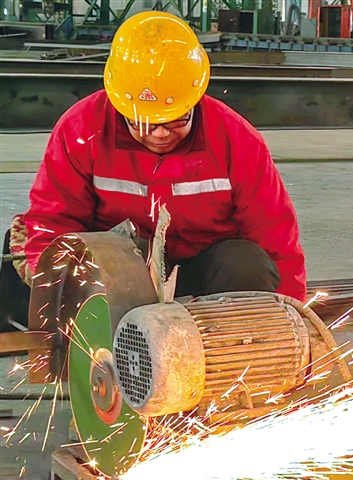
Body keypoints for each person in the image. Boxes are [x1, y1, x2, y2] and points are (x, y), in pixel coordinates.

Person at [19, 11, 306, 305]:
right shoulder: (81, 131)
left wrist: (293, 314)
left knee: (246, 263)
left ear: (194, 101)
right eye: (143, 123)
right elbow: (55, 221)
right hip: (116, 270)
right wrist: (55, 296)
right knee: (59, 266)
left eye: (175, 120)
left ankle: (234, 332)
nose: (159, 134)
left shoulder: (237, 140)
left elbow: (276, 240)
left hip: (204, 267)